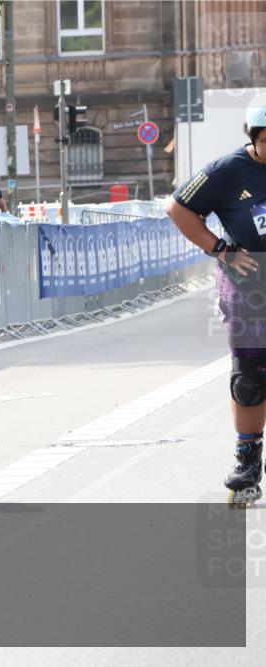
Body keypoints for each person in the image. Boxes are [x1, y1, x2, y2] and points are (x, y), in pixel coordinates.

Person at [166, 102, 266, 507]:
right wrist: (221, 249)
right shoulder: (227, 171)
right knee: (250, 379)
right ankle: (247, 462)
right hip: (249, 285)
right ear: (254, 137)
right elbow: (178, 208)